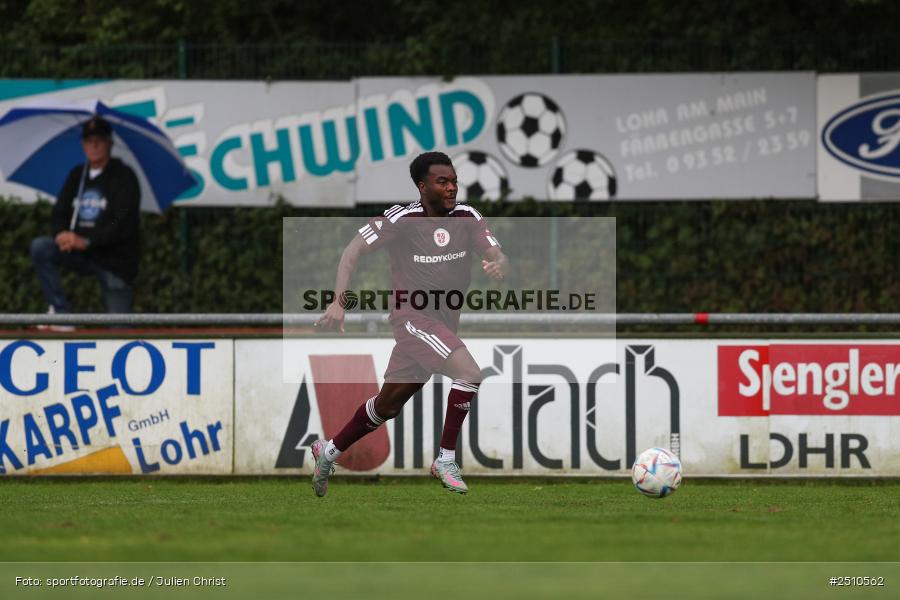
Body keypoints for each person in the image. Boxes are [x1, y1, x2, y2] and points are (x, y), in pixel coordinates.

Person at [312, 151, 508, 496]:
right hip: (413, 318)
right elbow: (352, 251)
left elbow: (496, 255)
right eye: (442, 181)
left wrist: (498, 265)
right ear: (422, 186)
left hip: (444, 323)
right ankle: (446, 458)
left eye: (454, 180)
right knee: (470, 374)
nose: (452, 188)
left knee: (387, 405)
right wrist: (338, 301)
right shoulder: (402, 218)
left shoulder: (467, 216)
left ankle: (328, 452)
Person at [30, 116, 141, 316]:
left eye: (99, 140)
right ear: (83, 144)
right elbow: (60, 212)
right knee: (41, 247)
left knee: (120, 329)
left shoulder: (124, 177)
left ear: (110, 143)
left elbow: (122, 220)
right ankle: (61, 313)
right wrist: (61, 234)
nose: (94, 145)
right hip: (79, 253)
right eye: (90, 141)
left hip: (114, 260)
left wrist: (88, 241)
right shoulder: (77, 175)